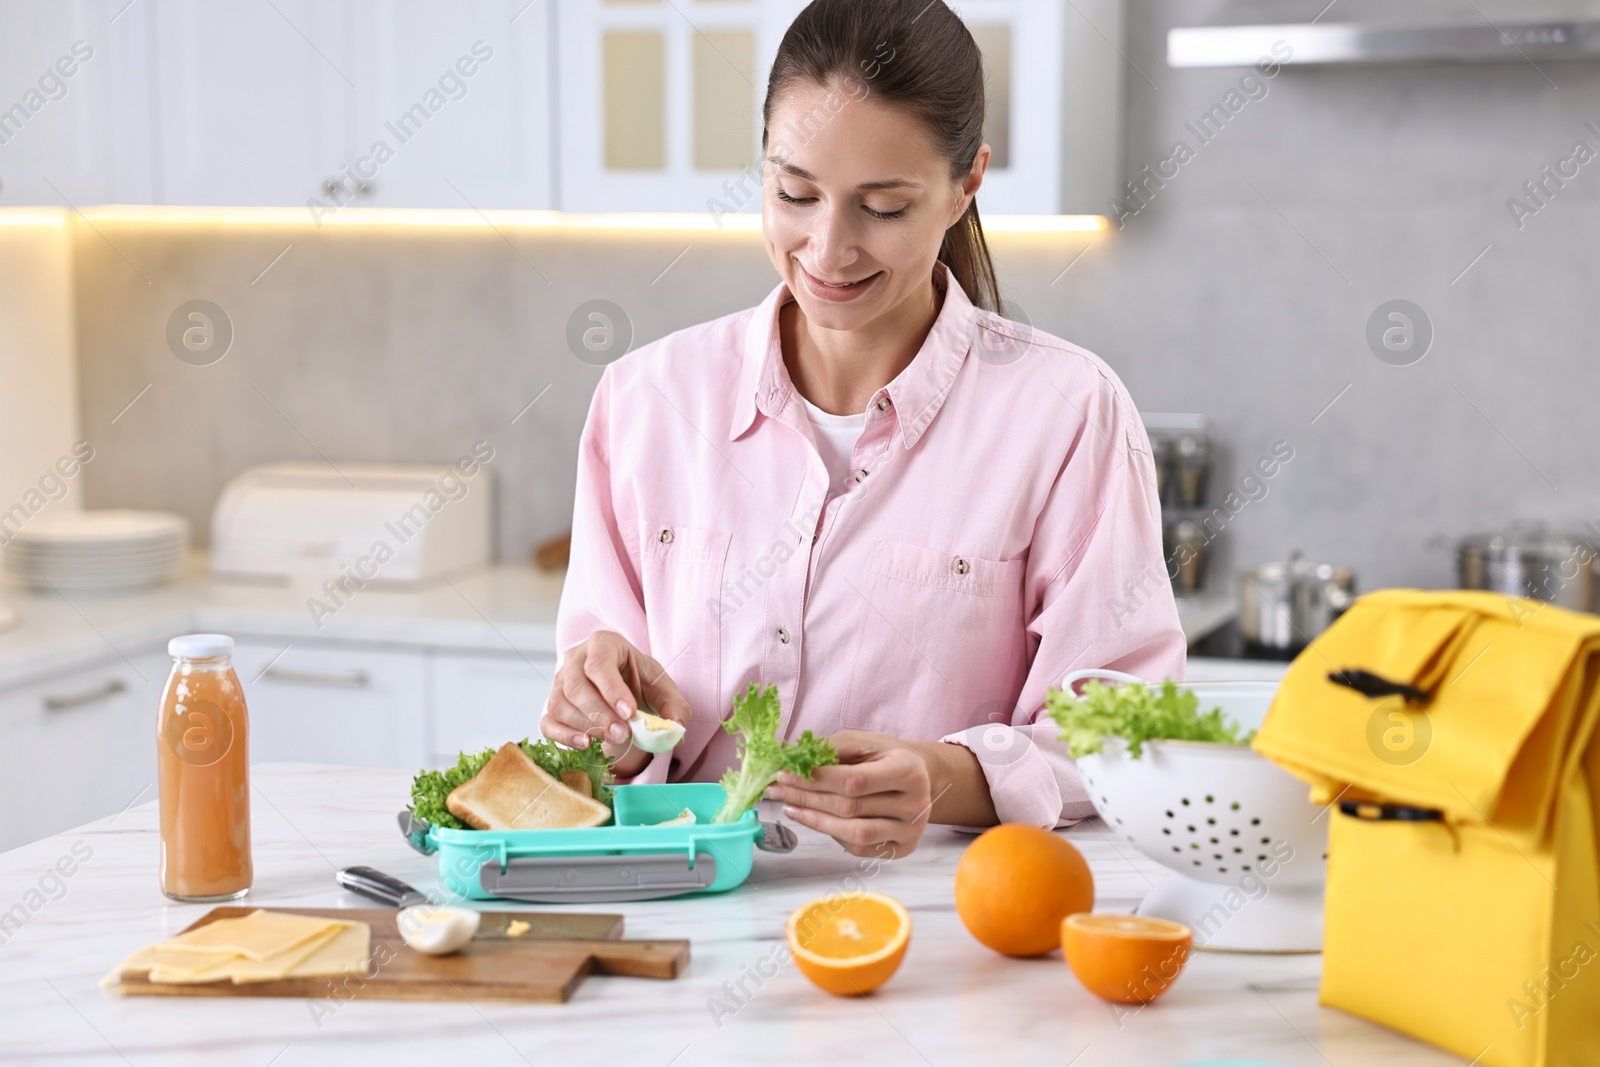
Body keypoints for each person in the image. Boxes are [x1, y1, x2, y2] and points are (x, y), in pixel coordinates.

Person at [543, 0, 1184, 859]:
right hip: (684, 916)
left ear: (967, 185)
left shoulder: (1067, 414)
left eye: (882, 207)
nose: (827, 248)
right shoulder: (646, 402)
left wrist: (949, 775)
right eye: (794, 193)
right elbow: (607, 747)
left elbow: (1124, 733)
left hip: (942, 936)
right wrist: (608, 728)